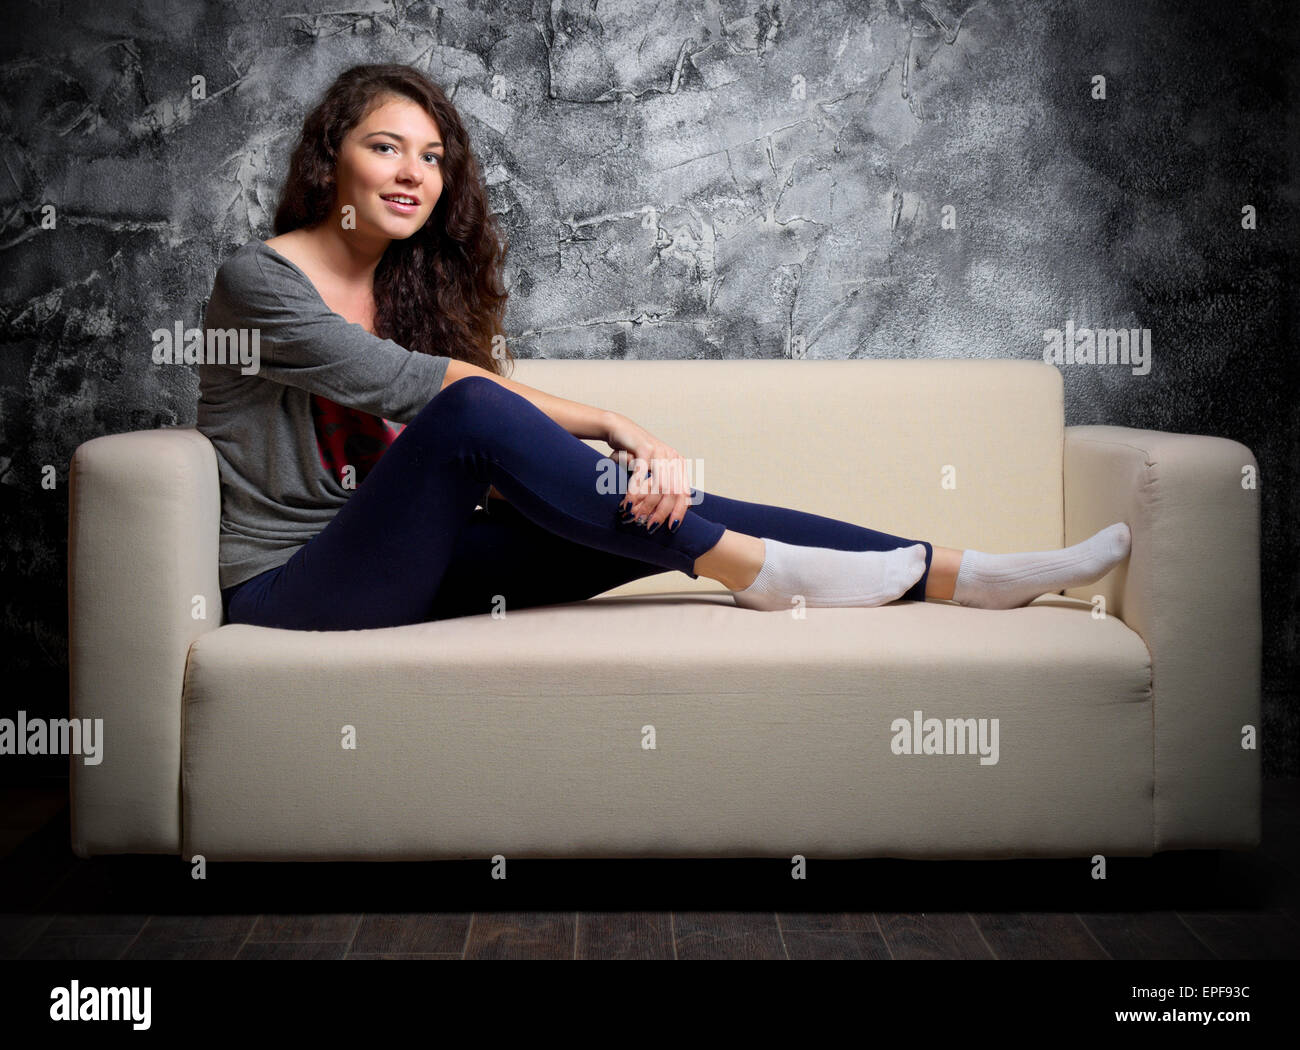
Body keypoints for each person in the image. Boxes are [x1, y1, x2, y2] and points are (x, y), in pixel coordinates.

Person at [199, 63, 1130, 632]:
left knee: (660, 511)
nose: (413, 174)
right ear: (334, 161)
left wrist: (599, 475)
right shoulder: (258, 281)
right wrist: (613, 423)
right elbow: (414, 390)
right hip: (298, 586)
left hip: (419, 561)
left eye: (433, 156)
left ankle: (959, 573)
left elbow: (441, 466)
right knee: (475, 404)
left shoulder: (405, 284)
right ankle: (756, 572)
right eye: (386, 148)